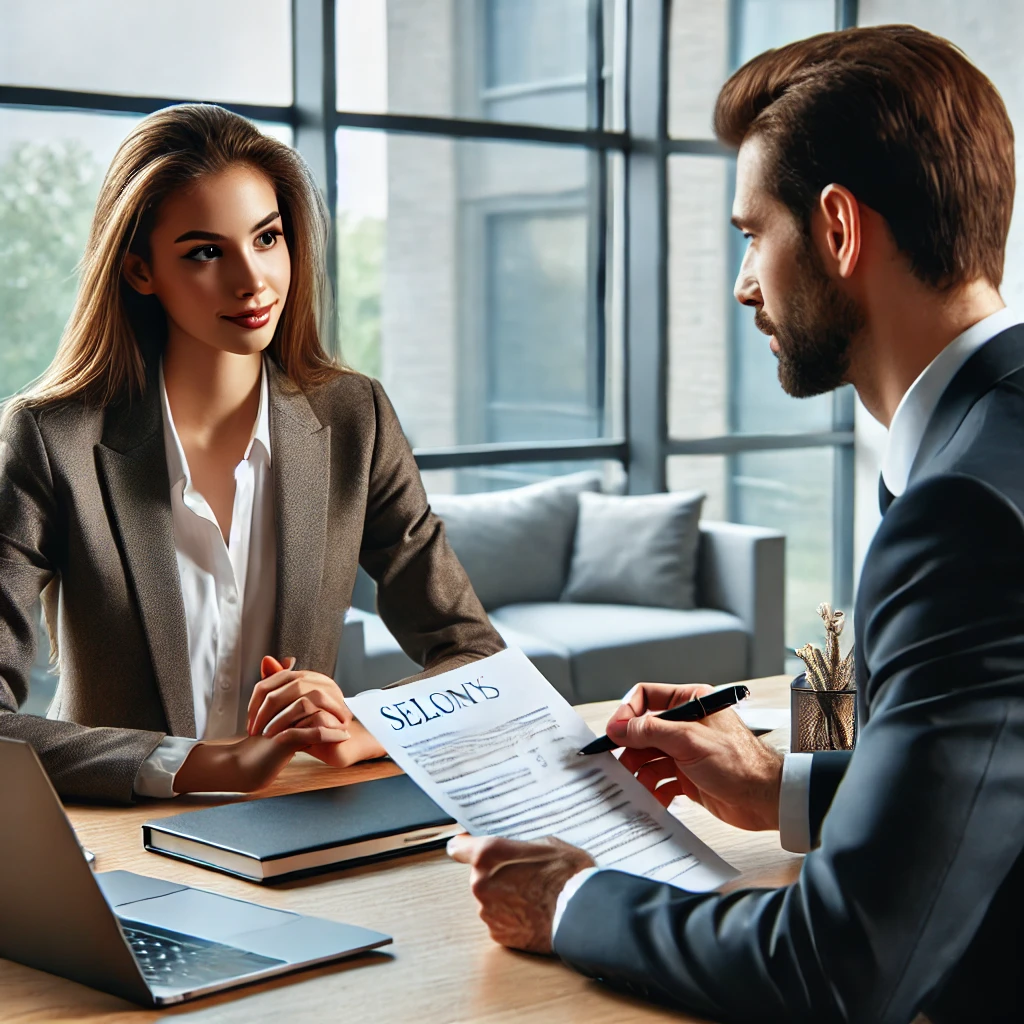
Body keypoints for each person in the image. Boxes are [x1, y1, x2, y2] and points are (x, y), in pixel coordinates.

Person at [448, 25, 1024, 1024]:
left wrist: (569, 898)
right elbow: (993, 779)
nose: (744, 282)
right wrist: (780, 788)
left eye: (752, 234)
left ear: (837, 230)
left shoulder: (961, 512)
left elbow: (840, 967)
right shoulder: (989, 445)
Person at [0, 103, 503, 804]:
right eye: (206, 252)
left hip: (302, 819)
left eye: (267, 238)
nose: (253, 280)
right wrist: (205, 764)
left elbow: (476, 657)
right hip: (119, 835)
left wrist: (360, 725)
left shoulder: (355, 418)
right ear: (141, 271)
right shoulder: (51, 440)